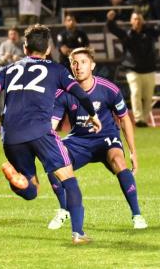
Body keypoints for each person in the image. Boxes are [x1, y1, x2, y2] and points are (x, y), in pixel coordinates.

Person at [0, 24, 102, 244]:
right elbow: (80, 94)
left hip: (11, 136)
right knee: (69, 180)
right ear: (48, 49)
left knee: (31, 188)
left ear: (25, 48)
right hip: (41, 132)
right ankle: (78, 234)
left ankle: (19, 180)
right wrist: (93, 114)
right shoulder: (57, 70)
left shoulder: (9, 68)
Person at [47, 48, 147, 230]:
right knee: (53, 163)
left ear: (92, 65)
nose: (78, 67)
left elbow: (124, 119)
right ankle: (64, 210)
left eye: (83, 62)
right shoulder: (63, 93)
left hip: (106, 138)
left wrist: (133, 152)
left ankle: (137, 215)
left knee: (118, 161)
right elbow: (52, 125)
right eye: (74, 63)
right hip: (79, 140)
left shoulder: (109, 89)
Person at [106, 8, 160, 127]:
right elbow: (114, 29)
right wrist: (110, 20)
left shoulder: (150, 33)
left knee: (148, 97)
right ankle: (138, 119)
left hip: (149, 69)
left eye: (139, 19)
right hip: (133, 70)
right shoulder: (127, 34)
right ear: (131, 21)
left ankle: (144, 120)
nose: (137, 21)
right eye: (135, 19)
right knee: (135, 93)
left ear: (143, 21)